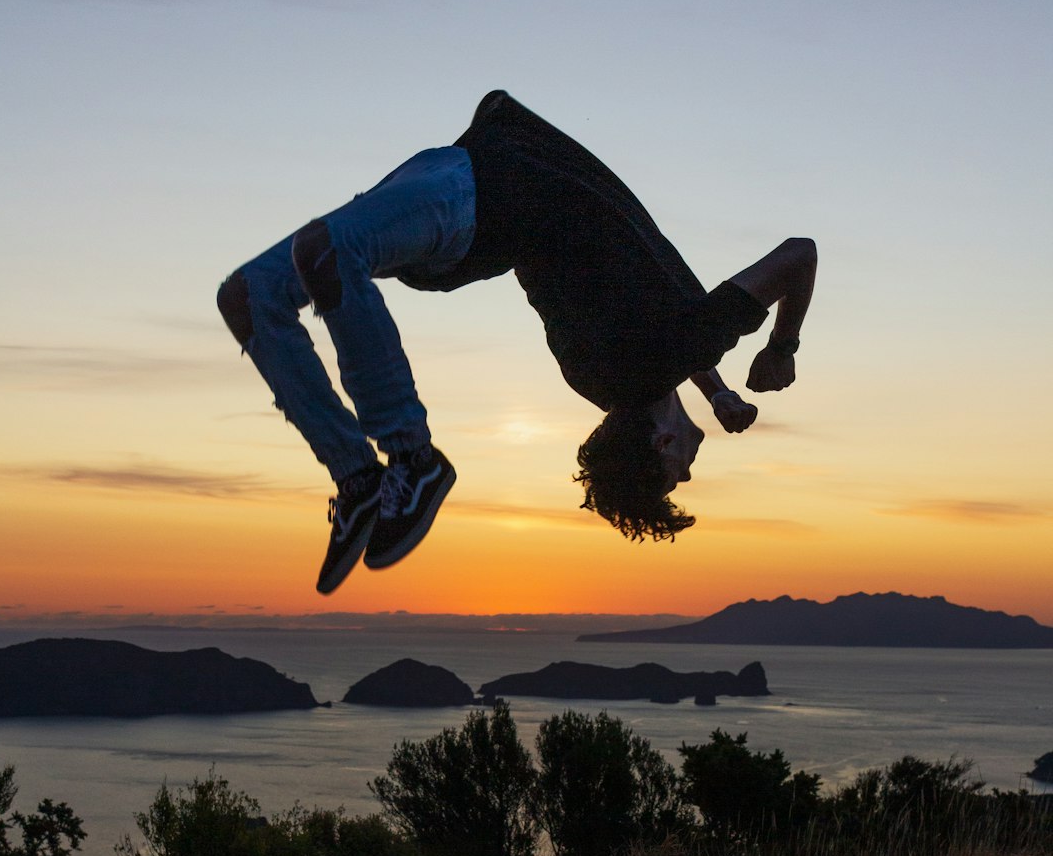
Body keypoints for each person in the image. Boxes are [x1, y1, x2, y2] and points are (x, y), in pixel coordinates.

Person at [217, 90, 816, 593]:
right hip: (460, 194)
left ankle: (404, 461)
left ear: (661, 443)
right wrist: (715, 393)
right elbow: (673, 345)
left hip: (471, 198)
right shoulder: (599, 378)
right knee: (246, 297)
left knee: (320, 257)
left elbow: (797, 256)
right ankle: (357, 477)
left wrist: (781, 346)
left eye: (674, 477)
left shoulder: (660, 354)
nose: (687, 475)